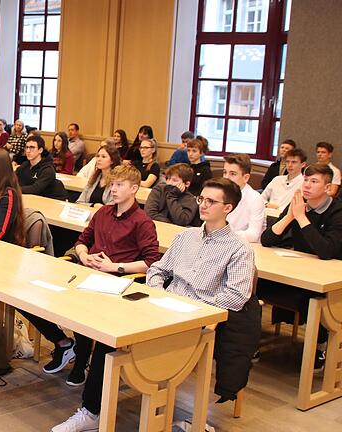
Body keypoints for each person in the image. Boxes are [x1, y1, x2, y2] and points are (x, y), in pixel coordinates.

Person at [52, 177, 258, 432]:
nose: (203, 205)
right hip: (162, 304)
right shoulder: (187, 236)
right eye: (201, 199)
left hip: (195, 318)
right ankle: (92, 412)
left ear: (228, 208)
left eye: (211, 201)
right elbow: (158, 269)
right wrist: (161, 294)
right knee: (109, 333)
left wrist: (199, 309)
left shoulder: (239, 249)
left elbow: (237, 295)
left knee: (121, 344)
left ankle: (95, 410)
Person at [26, 165, 160, 389]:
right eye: (112, 184)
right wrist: (84, 255)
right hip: (87, 272)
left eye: (120, 185)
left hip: (116, 282)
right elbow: (81, 241)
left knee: (84, 309)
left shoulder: (142, 221)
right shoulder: (103, 212)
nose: (114, 189)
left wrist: (115, 267)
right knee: (35, 297)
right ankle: (64, 345)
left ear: (134, 188)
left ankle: (81, 361)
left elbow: (151, 262)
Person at [260, 163, 342, 372]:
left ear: (327, 187)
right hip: (302, 269)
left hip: (329, 278)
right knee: (257, 285)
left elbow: (326, 251)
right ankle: (250, 343)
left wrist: (302, 218)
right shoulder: (298, 204)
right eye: (306, 180)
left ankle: (320, 348)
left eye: (314, 181)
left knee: (311, 299)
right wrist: (290, 216)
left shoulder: (337, 211)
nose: (307, 185)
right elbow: (267, 239)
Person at [222, 153, 265, 243]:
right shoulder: (219, 193)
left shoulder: (255, 198)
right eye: (224, 172)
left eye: (232, 174)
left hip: (244, 247)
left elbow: (253, 235)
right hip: (220, 243)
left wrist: (222, 235)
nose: (226, 178)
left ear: (246, 178)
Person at [16, 134, 68, 201]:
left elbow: (35, 189)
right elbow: (12, 178)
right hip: (34, 199)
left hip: (52, 201)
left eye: (32, 147)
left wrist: (14, 189)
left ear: (40, 150)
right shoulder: (24, 165)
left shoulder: (48, 169)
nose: (28, 151)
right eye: (27, 147)